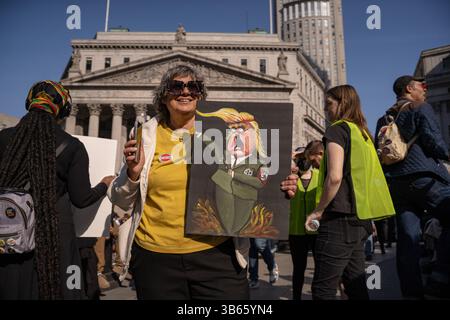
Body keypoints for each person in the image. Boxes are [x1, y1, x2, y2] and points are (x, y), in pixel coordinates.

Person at [107, 65, 298, 299]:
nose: (185, 92)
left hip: (217, 255)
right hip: (156, 258)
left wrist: (282, 186)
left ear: (201, 95)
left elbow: (257, 173)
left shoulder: (226, 132)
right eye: (177, 86)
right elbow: (120, 198)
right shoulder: (144, 135)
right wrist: (132, 174)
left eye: (193, 87)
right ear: (164, 96)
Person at [0, 80, 114, 300]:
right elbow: (81, 199)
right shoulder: (71, 146)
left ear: (29, 103)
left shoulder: (3, 139)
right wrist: (104, 185)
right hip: (55, 238)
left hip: (9, 234)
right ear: (62, 110)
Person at [305, 85, 395, 300]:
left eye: (329, 104)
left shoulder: (337, 129)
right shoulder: (363, 134)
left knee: (323, 289)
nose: (326, 109)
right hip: (360, 219)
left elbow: (334, 177)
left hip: (338, 220)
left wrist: (318, 211)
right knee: (355, 285)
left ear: (342, 103)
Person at [375, 75, 450, 299]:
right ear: (409, 88)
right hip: (425, 178)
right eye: (422, 86)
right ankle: (441, 275)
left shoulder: (383, 119)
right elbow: (434, 141)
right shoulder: (420, 107)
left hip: (397, 184)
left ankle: (412, 293)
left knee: (408, 240)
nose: (425, 90)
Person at [289, 140, 323, 300]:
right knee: (298, 268)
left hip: (317, 230)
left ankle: (318, 295)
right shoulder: (290, 179)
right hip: (295, 231)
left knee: (320, 267)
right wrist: (292, 156)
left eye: (305, 157)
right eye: (299, 158)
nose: (303, 160)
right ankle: (296, 297)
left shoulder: (320, 175)